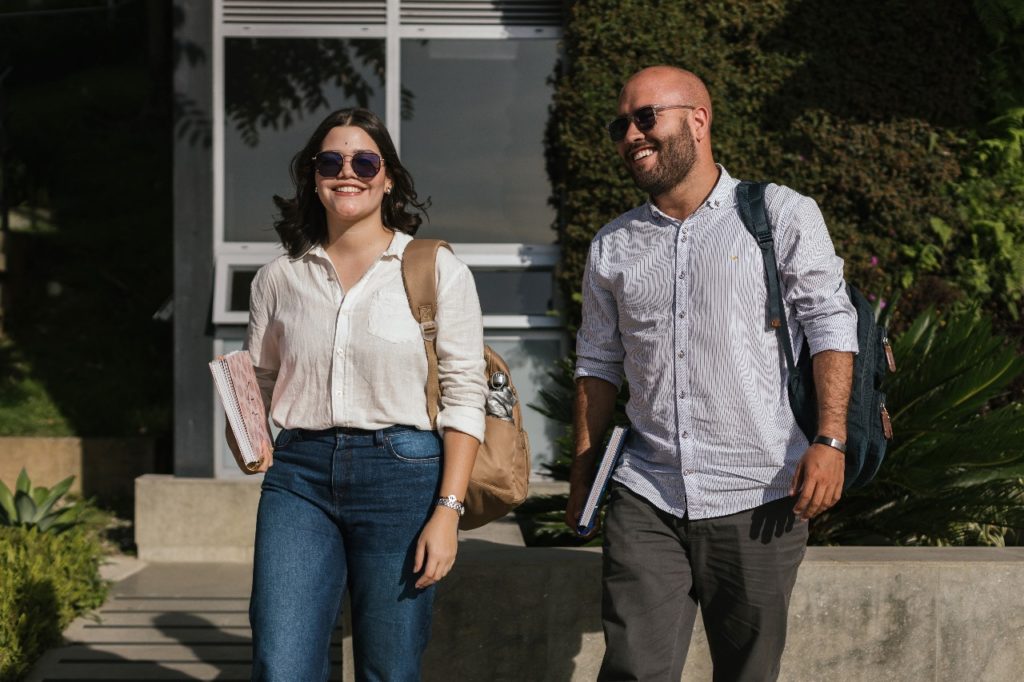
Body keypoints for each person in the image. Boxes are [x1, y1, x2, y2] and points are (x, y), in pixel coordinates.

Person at [565, 66, 858, 681]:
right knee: (634, 671)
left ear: (699, 121)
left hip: (760, 494)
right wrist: (585, 470)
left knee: (748, 673)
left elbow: (832, 325)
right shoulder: (613, 246)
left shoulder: (780, 215)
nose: (631, 135)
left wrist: (830, 440)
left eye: (647, 117)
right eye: (621, 124)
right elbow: (597, 363)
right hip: (649, 494)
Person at [229, 107, 486, 681]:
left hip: (404, 475)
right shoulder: (279, 277)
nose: (348, 172)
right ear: (312, 177)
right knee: (282, 663)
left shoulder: (437, 268)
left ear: (388, 176)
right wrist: (241, 424)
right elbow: (260, 381)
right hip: (299, 475)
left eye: (364, 160)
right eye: (331, 161)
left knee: (389, 668)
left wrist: (447, 511)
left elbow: (465, 396)